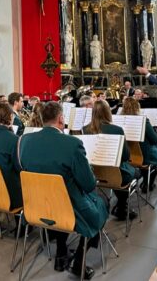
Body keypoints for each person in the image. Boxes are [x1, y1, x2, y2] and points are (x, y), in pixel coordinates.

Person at [18, 101, 108, 279]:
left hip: (36, 206)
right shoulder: (72, 144)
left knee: (58, 203)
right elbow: (89, 185)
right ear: (60, 118)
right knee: (101, 204)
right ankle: (79, 262)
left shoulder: (24, 140)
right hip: (68, 207)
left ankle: (61, 252)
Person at [83, 100, 139, 220]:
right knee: (135, 173)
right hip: (116, 174)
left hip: (94, 174)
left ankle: (121, 205)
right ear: (108, 112)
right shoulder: (117, 129)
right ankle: (122, 205)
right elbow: (125, 156)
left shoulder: (85, 129)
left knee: (117, 175)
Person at [121, 97, 157, 192]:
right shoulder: (143, 120)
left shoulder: (119, 120)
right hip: (144, 156)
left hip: (127, 155)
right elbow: (155, 139)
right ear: (137, 107)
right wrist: (156, 132)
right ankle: (148, 184)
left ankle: (144, 180)